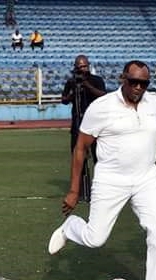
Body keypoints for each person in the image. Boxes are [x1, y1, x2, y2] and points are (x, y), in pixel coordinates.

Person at [48, 60, 156, 280]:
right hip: (111, 180)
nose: (138, 87)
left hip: (146, 178)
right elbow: (80, 148)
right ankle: (70, 228)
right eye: (134, 82)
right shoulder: (101, 107)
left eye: (144, 83)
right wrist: (74, 190)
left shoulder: (155, 103)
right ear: (123, 78)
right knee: (95, 238)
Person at [61, 55, 106, 201]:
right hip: (77, 126)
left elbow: (103, 96)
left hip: (96, 127)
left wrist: (87, 86)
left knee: (99, 159)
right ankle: (79, 191)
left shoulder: (96, 80)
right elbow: (64, 100)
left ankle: (101, 189)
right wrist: (72, 94)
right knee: (78, 158)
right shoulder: (71, 82)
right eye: (79, 67)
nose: (82, 69)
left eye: (85, 66)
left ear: (89, 66)